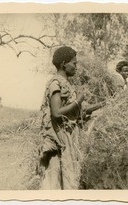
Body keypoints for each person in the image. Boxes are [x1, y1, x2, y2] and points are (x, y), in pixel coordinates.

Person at [39, 46, 103, 190]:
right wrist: (77, 101)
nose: (76, 67)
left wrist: (104, 103)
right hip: (59, 139)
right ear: (64, 64)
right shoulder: (55, 83)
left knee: (70, 177)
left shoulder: (66, 84)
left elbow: (80, 111)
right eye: (74, 63)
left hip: (68, 137)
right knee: (57, 182)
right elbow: (56, 112)